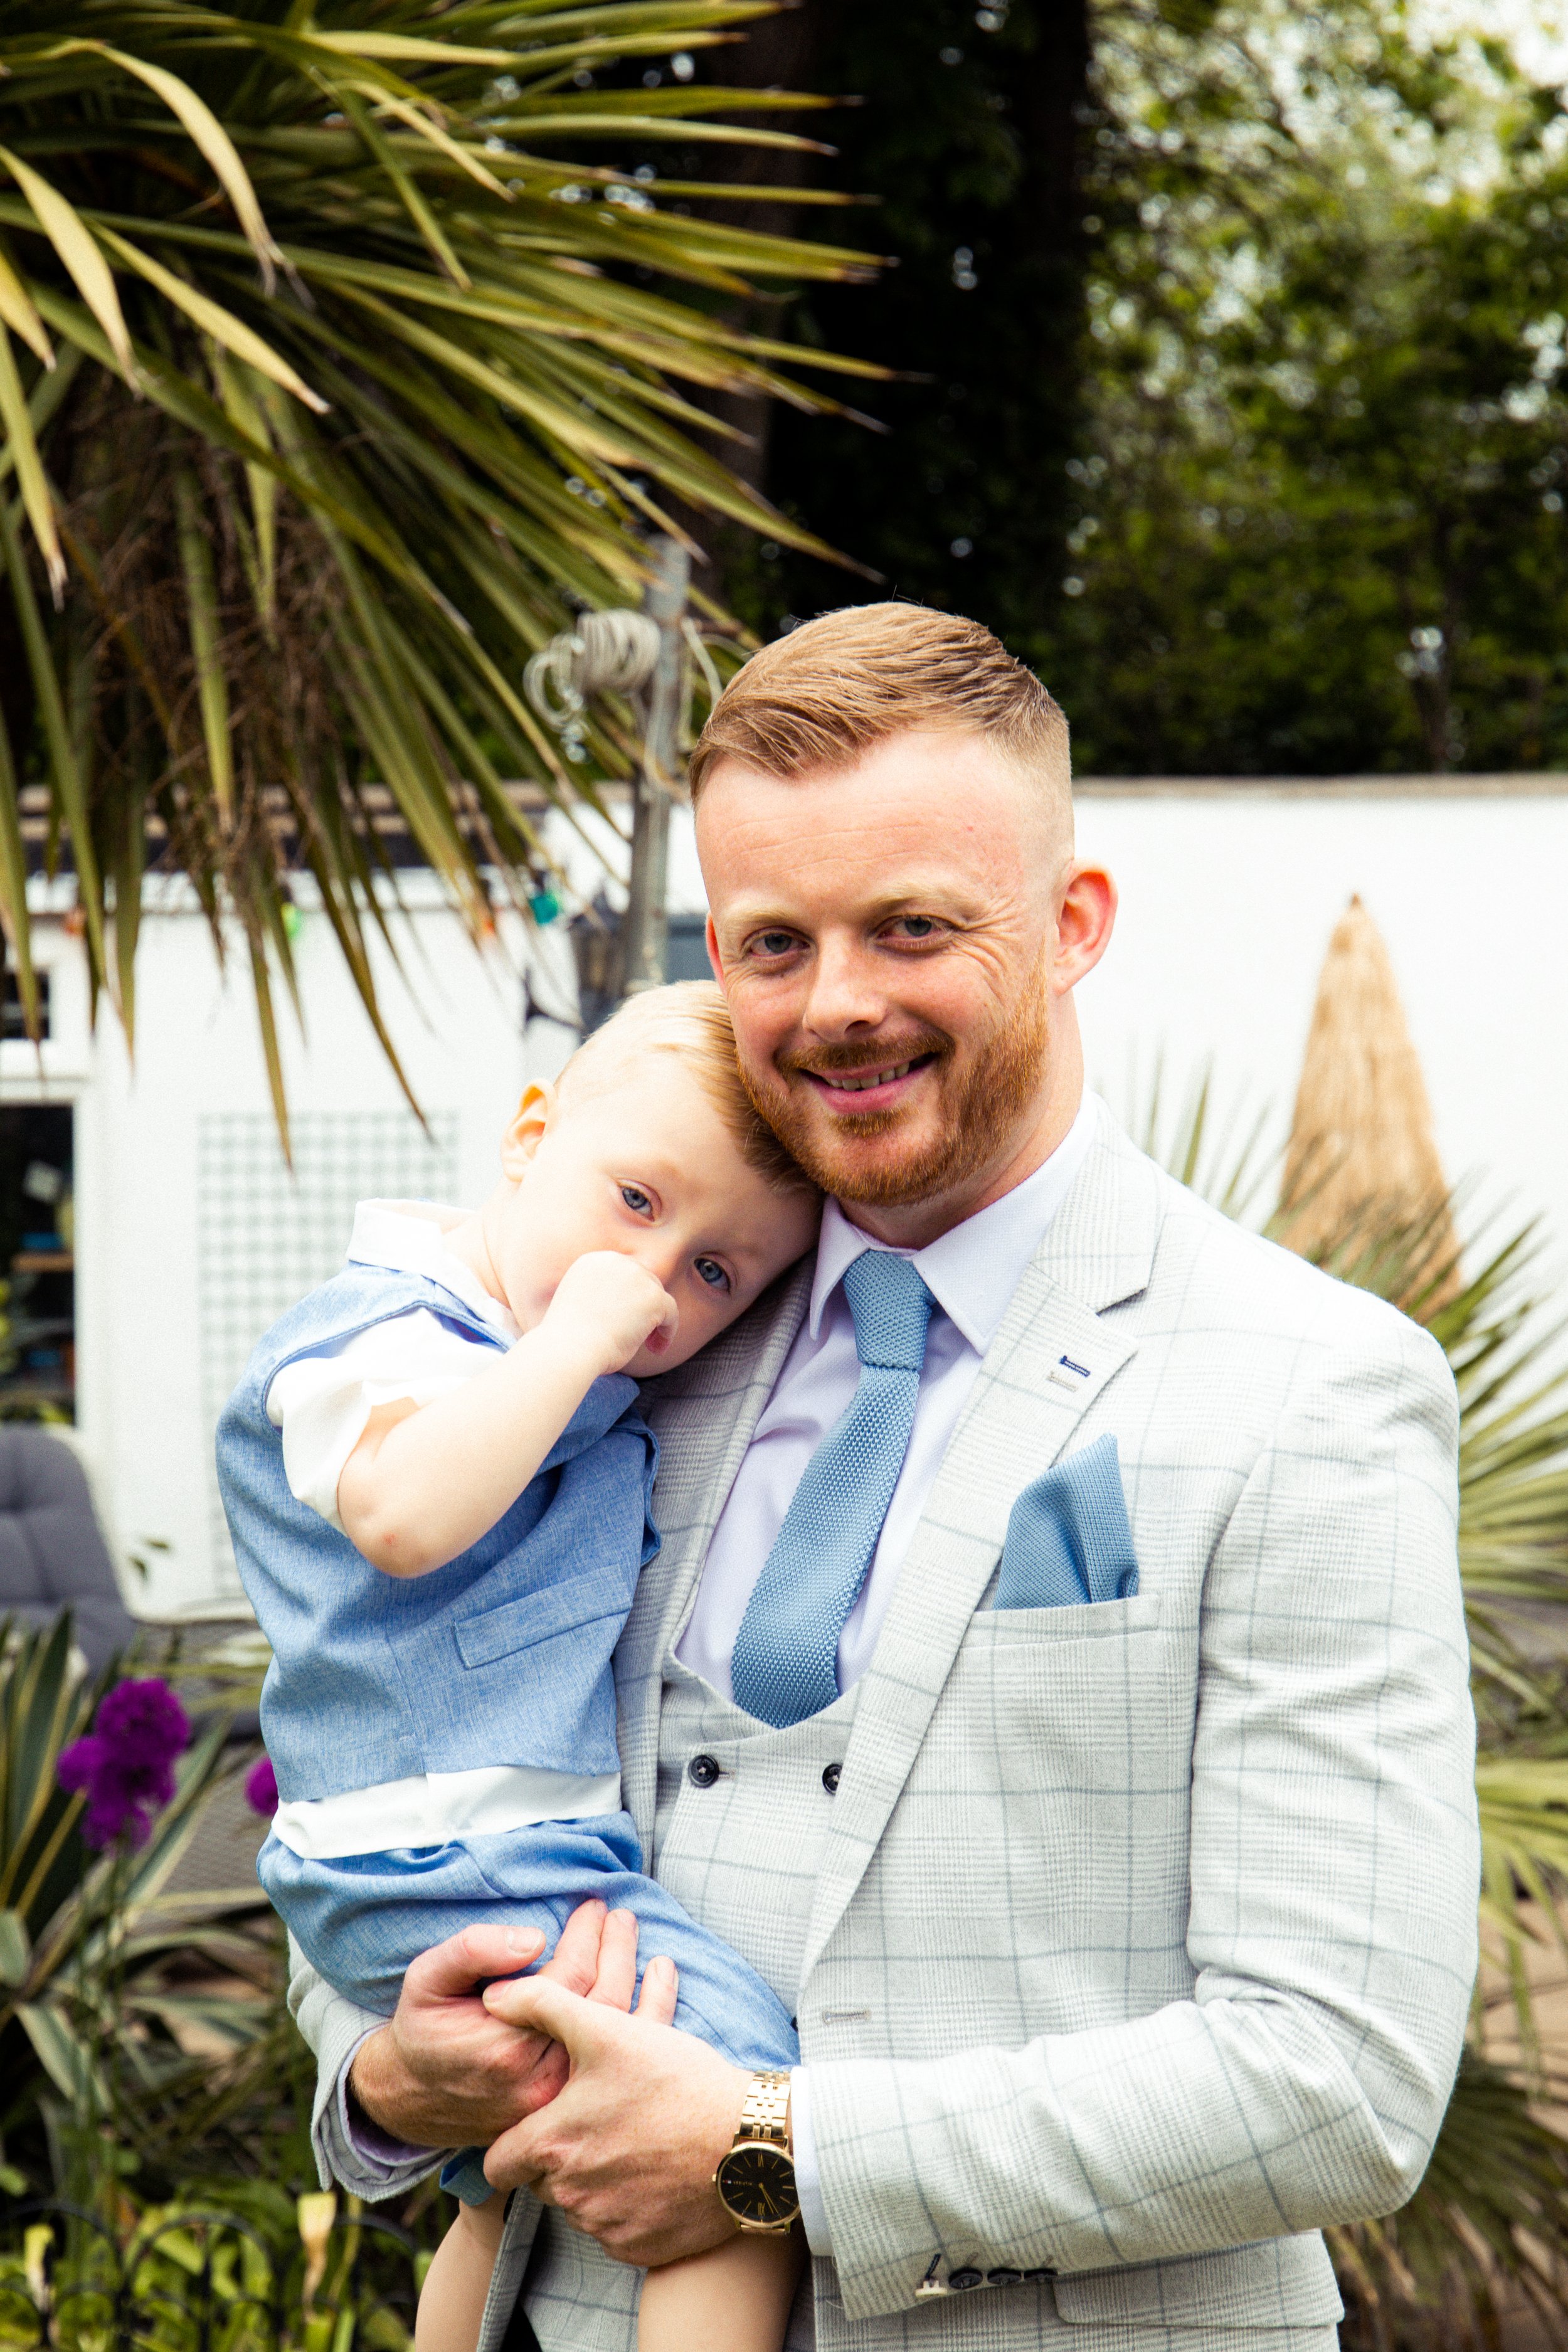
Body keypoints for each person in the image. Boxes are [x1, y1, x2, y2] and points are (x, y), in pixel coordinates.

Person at [292, 604, 1480, 2352]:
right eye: (775, 942)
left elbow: (1337, 2076)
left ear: (1071, 925)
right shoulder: (629, 1340)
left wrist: (771, 2153)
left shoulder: (1311, 1384)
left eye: (911, 926)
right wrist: (388, 2066)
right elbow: (390, 1747)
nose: (837, 1002)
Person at [216, 985, 822, 2352]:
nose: (657, 1277)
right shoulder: (382, 1335)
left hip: (469, 1862)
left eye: (719, 1272)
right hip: (459, 1859)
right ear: (526, 1134)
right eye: (634, 1200)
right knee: (737, 2119)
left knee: (494, 2194)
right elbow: (404, 1515)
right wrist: (571, 1343)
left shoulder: (546, 1358)